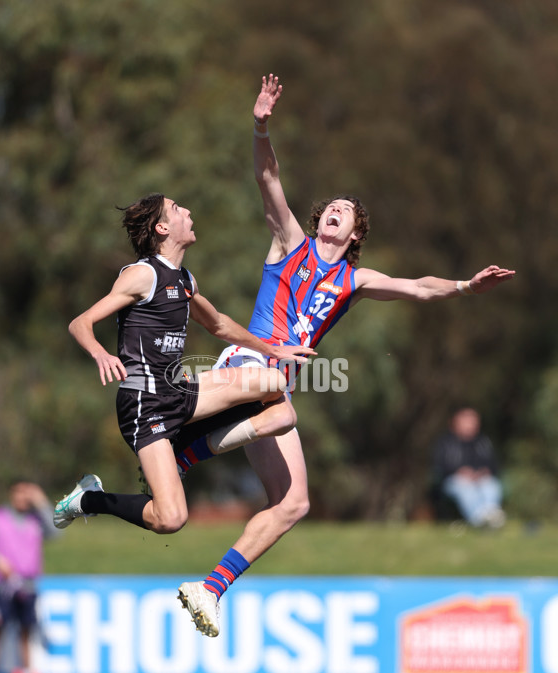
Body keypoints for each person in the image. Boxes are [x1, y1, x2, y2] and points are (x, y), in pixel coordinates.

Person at [174, 73, 515, 637]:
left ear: (355, 232)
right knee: (280, 411)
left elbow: (417, 287)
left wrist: (463, 287)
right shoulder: (289, 242)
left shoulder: (355, 279)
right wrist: (260, 126)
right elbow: (268, 176)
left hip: (273, 385)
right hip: (248, 365)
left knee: (294, 504)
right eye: (328, 207)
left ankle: (208, 589)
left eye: (343, 210)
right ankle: (181, 452)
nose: (332, 211)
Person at [54, 194, 314, 571]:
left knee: (278, 397)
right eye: (177, 210)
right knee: (170, 518)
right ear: (162, 228)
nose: (188, 212)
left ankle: (185, 454)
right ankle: (88, 500)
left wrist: (278, 350)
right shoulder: (142, 275)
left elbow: (220, 325)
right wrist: (101, 354)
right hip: (145, 404)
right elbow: (80, 323)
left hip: (180, 391)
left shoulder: (185, 280)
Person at [0, 481, 58, 673]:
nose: (22, 498)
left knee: (26, 633)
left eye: (26, 494)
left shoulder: (36, 519)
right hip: (3, 586)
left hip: (28, 586)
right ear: (12, 494)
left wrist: (41, 502)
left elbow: (56, 532)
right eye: (19, 493)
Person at [431, 406, 505, 528]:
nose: (470, 424)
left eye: (473, 420)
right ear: (456, 421)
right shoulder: (445, 442)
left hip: (480, 479)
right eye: (466, 420)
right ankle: (479, 520)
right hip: (454, 480)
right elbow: (440, 466)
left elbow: (493, 464)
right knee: (465, 489)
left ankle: (491, 516)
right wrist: (459, 472)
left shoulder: (483, 441)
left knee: (490, 486)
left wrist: (484, 472)